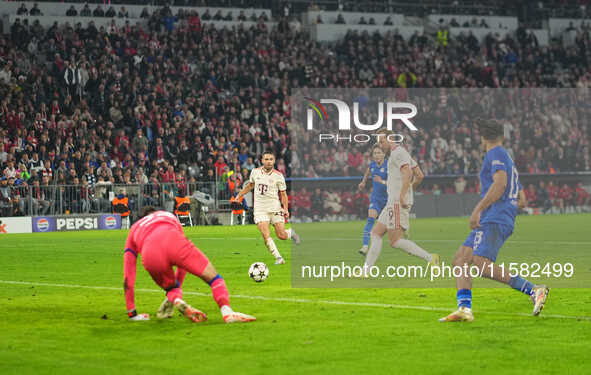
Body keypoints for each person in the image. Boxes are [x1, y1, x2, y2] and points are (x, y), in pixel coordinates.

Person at [440, 119, 549, 323]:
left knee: (480, 264)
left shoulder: (495, 153)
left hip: (494, 216)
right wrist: (508, 206)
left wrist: (478, 209)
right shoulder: (507, 157)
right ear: (502, 135)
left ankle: (534, 290)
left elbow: (500, 184)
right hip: (499, 215)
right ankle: (464, 308)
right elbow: (522, 201)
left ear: (483, 137)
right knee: (461, 259)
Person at [123, 207, 255, 323]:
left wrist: (132, 313)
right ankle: (227, 312)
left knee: (170, 288)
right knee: (214, 279)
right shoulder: (167, 215)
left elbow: (128, 275)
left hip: (150, 253)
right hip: (173, 238)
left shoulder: (135, 228)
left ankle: (176, 300)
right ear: (155, 212)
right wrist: (179, 285)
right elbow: (182, 264)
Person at [362, 130, 440, 275]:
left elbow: (408, 173)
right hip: (393, 201)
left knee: (395, 241)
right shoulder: (400, 154)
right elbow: (420, 175)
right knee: (376, 233)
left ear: (391, 139)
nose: (380, 144)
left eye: (382, 141)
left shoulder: (398, 153)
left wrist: (403, 195)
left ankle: (431, 258)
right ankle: (365, 271)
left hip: (397, 202)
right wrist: (409, 190)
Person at [235, 151, 300, 265]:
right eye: (266, 159)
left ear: (274, 161)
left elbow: (283, 194)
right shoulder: (255, 172)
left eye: (271, 159)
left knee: (281, 235)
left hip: (275, 208)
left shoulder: (278, 176)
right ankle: (279, 258)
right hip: (260, 209)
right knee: (265, 234)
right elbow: (250, 186)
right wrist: (239, 195)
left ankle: (291, 233)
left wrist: (285, 209)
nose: (268, 161)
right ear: (262, 160)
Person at [357, 145, 388, 256]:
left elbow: (394, 183)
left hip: (388, 200)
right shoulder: (372, 165)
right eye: (375, 153)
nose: (377, 155)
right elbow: (368, 172)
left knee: (392, 228)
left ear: (384, 154)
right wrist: (363, 182)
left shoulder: (389, 165)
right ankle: (365, 246)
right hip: (376, 198)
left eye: (379, 153)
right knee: (370, 219)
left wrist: (382, 181)